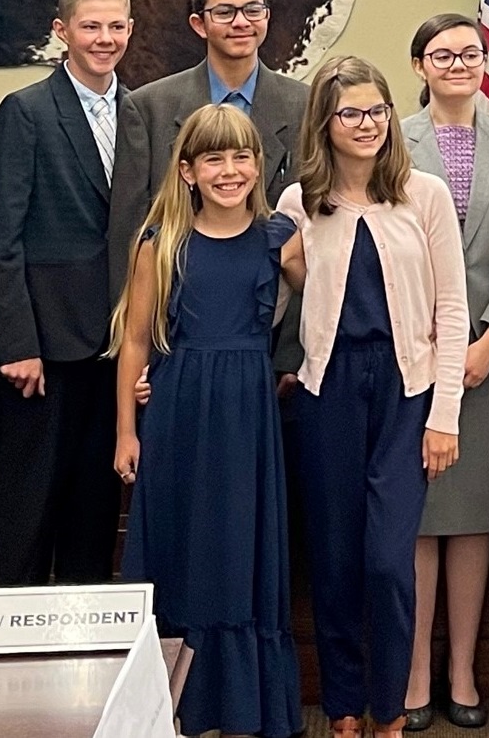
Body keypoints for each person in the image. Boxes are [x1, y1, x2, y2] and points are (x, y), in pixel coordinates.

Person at [274, 56, 467, 738]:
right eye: (350, 112)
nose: (366, 124)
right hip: (326, 392)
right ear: (324, 123)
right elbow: (277, 297)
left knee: (388, 561)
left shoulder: (426, 195)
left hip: (404, 390)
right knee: (332, 559)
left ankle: (389, 709)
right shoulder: (298, 203)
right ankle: (345, 708)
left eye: (377, 110)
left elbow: (452, 313)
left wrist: (443, 416)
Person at [111, 104, 303, 738]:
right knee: (184, 547)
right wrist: (125, 430)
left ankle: (243, 708)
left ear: (259, 164)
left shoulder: (282, 237)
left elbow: (330, 304)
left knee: (239, 549)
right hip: (178, 410)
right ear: (188, 171)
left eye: (241, 157)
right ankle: (177, 705)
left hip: (249, 416)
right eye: (214, 159)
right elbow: (135, 341)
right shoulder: (160, 242)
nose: (230, 171)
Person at [400, 14, 489, 732]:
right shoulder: (390, 137)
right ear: (419, 63)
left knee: (475, 517)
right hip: (411, 353)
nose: (458, 63)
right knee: (419, 517)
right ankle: (416, 668)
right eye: (442, 53)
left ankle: (462, 671)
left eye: (470, 53)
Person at [0, 0, 132, 588]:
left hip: (115, 345)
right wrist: (19, 343)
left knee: (95, 512)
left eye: (116, 25)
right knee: (28, 508)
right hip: (42, 350)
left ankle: (82, 661)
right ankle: (5, 658)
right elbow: (3, 236)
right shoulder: (26, 111)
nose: (105, 38)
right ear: (61, 31)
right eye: (91, 26)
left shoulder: (140, 109)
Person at [107, 0, 308, 323]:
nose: (241, 22)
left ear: (266, 17)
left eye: (252, 10)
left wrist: (292, 356)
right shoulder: (149, 106)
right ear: (199, 24)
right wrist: (137, 337)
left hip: (273, 331)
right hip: (176, 325)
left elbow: (313, 240)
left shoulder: (305, 106)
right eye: (225, 12)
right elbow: (130, 230)